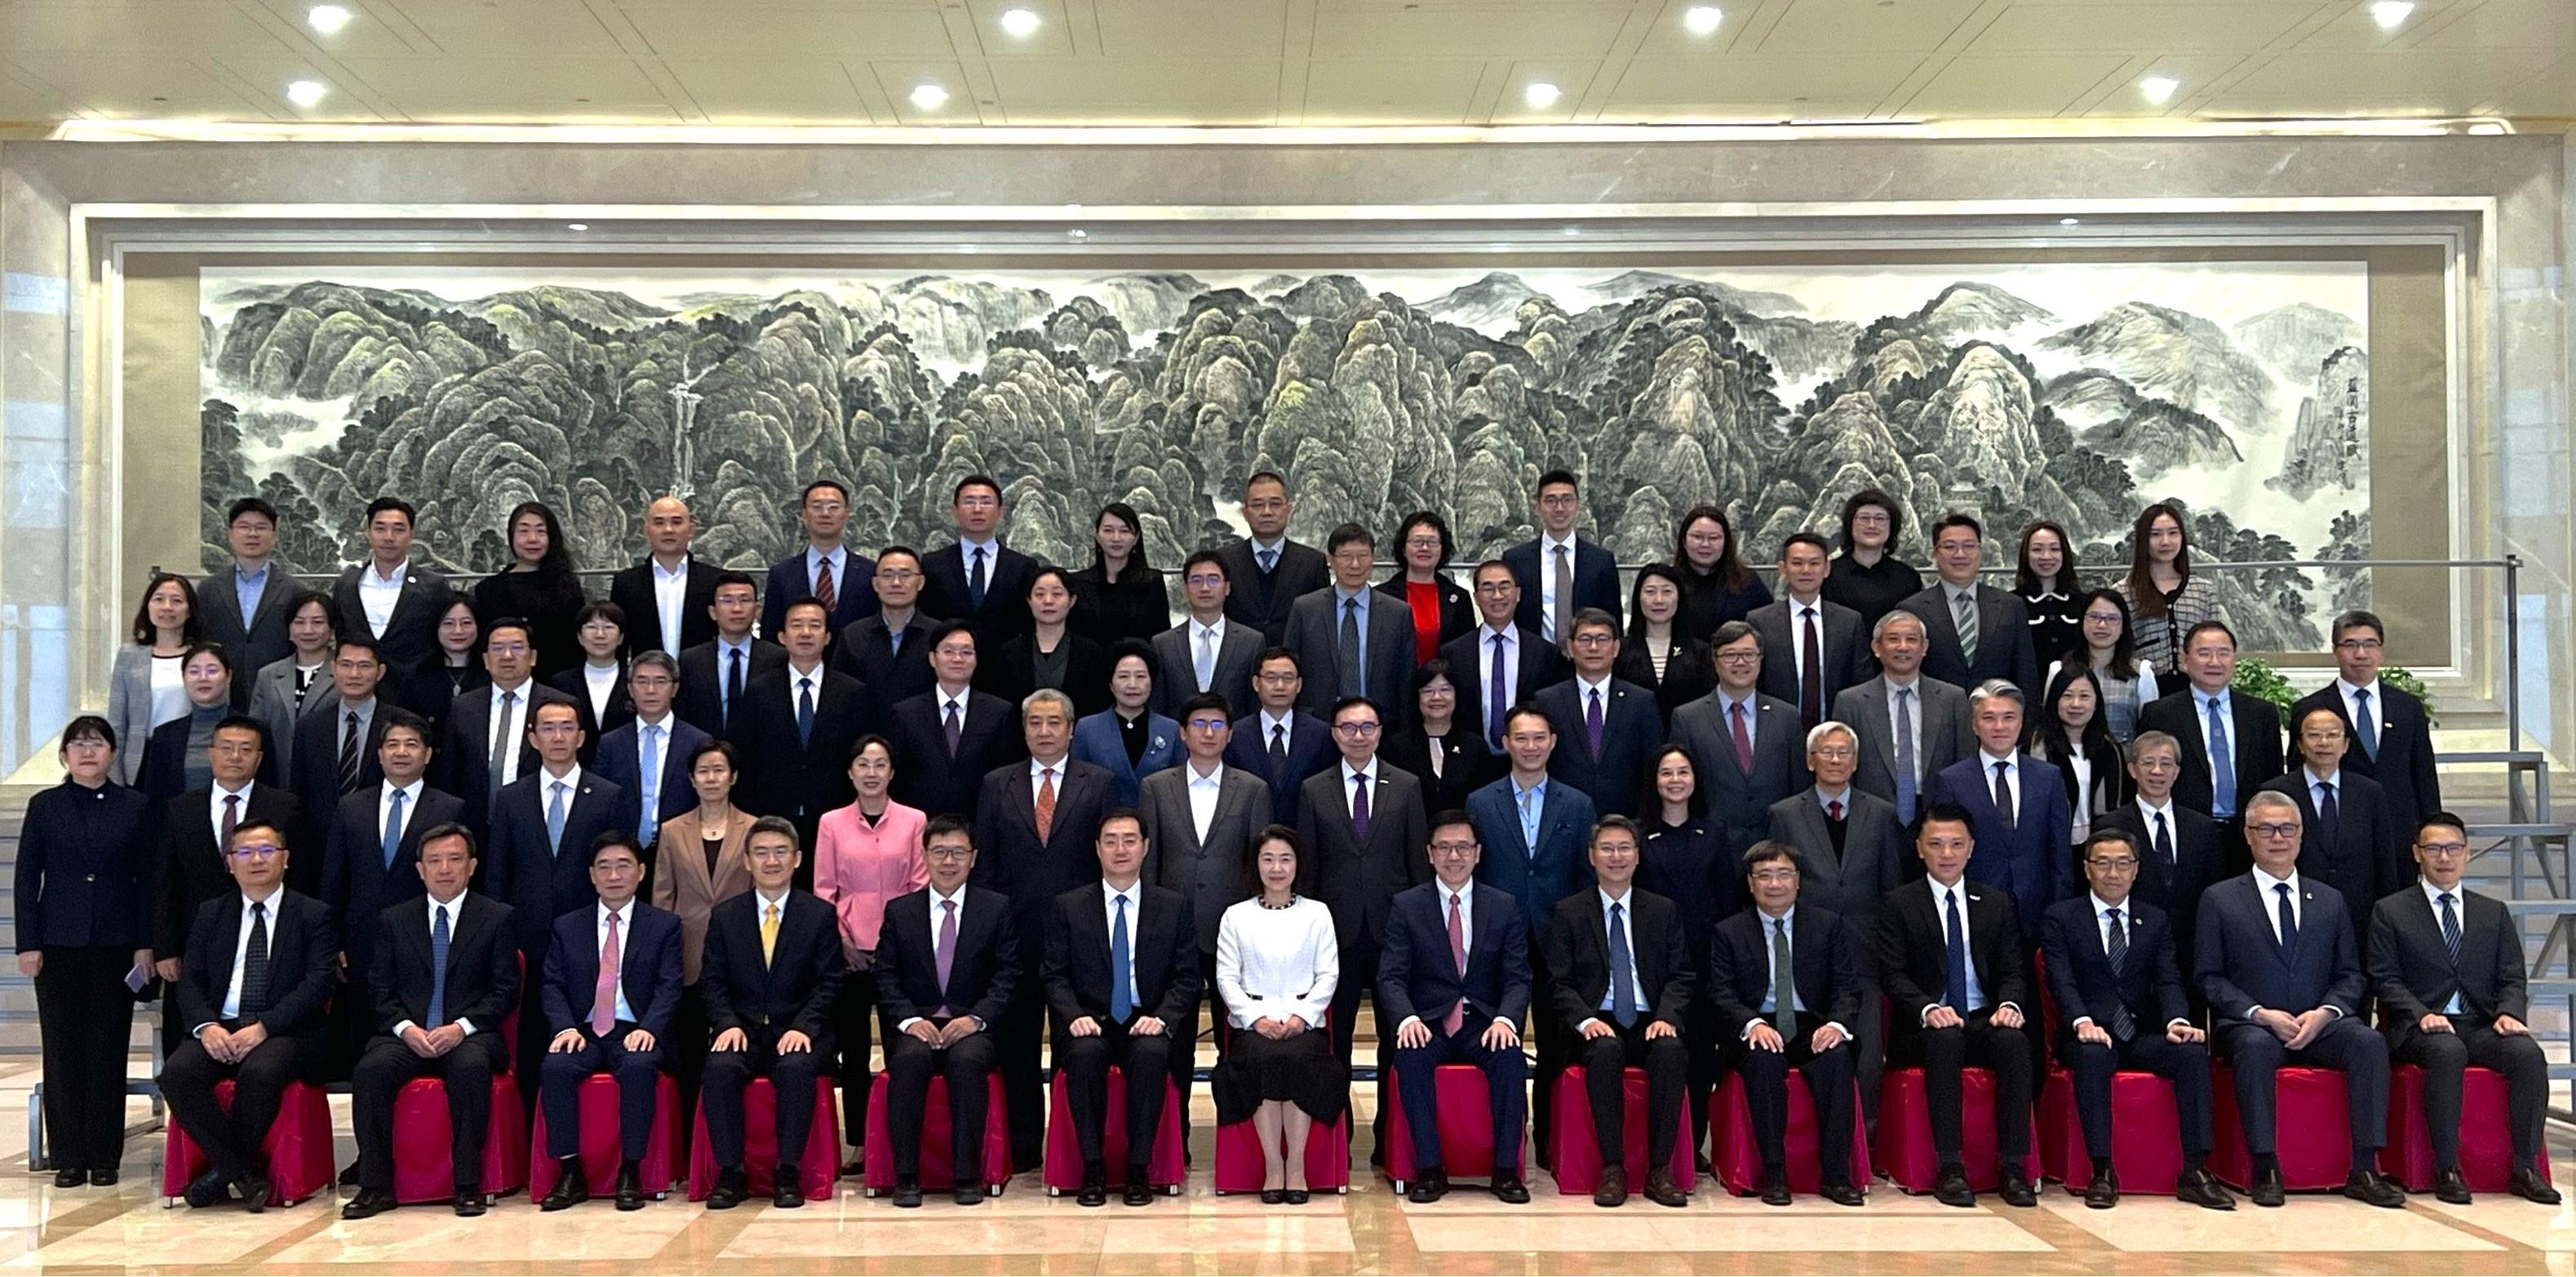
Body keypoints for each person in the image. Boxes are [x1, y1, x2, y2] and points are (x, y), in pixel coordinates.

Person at [2194, 790, 2405, 1208]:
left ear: (2301, 834)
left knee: (2368, 1042)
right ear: (2248, 836)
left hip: (2319, 1024)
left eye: (2287, 828)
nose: (2278, 838)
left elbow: (2350, 974)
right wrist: (2260, 1014)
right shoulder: (2219, 899)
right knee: (2254, 1048)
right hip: (2254, 1025)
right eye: (2266, 829)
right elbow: (2208, 978)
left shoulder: (2329, 899)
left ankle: (2365, 1167)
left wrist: (2325, 1013)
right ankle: (2265, 1166)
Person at [2369, 812, 2559, 1206]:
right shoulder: (2391, 910)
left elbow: (2511, 976)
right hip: (2420, 1027)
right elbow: (2385, 979)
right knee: (2446, 1050)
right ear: (2417, 854)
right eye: (2434, 849)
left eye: (2453, 848)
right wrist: (2421, 1013)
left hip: (2480, 1022)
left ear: (2467, 854)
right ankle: (2448, 1167)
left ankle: (2526, 1168)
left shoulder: (2493, 912)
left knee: (2527, 1055)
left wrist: (2509, 1012)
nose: (2444, 857)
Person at [2040, 829, 2231, 1210]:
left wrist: (2177, 1019)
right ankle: (2101, 1170)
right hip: (2086, 1032)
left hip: (2140, 1032)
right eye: (2103, 863)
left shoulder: (2155, 920)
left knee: (2192, 1054)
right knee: (2092, 1057)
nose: (2113, 873)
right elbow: (2060, 979)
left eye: (2122, 863)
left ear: (2136, 869)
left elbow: (2167, 978)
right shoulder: (2061, 917)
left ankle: (2195, 1169)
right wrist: (2080, 1021)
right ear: (2087, 869)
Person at [340, 823, 519, 1221]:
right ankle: (375, 1185)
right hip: (407, 1034)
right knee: (371, 1070)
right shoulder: (394, 920)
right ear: (419, 869)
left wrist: (460, 1028)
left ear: (472, 866)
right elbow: (380, 990)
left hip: (469, 1034)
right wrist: (407, 1029)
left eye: (454, 859)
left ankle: (468, 1185)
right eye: (434, 861)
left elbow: (505, 990)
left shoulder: (496, 917)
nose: (444, 869)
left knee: (471, 1068)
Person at [157, 818, 335, 1212]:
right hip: (221, 1026)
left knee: (261, 1072)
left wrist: (265, 1026)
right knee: (176, 1074)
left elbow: (318, 983)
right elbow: (191, 982)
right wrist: (207, 1027)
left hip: (285, 1031)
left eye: (267, 851)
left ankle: (223, 1173)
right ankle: (242, 1171)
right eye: (245, 852)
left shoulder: (312, 914)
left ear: (285, 859)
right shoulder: (210, 913)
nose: (257, 860)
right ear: (229, 863)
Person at [973, 687, 1116, 1168]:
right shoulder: (997, 784)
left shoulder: (1098, 782)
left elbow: (1107, 865)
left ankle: (1072, 1148)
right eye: (1035, 722)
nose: (1045, 732)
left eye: (1055, 722)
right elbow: (987, 865)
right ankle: (1025, 1147)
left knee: (1073, 1046)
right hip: (1013, 936)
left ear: (1072, 729)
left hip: (1077, 940)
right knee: (1015, 1046)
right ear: (1023, 729)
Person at [1873, 801, 2036, 1209]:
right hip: (1922, 1026)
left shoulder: (1996, 902)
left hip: (1981, 1018)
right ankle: (1950, 1166)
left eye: (1956, 844)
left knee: (2014, 1042)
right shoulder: (1899, 904)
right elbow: (1893, 976)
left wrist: (2011, 1005)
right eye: (1937, 844)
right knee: (1944, 1041)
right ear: (1919, 849)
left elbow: (2013, 970)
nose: (1947, 854)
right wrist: (1928, 1008)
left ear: (1971, 848)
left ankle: (2013, 1166)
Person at [15, 716, 154, 1188]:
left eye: (97, 743)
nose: (87, 751)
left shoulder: (135, 806)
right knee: (62, 1049)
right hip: (57, 943)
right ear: (64, 756)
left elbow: (147, 881)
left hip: (116, 944)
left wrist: (145, 943)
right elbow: (26, 876)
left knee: (107, 1048)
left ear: (112, 753)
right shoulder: (45, 806)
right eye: (77, 744)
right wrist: (28, 942)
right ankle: (68, 1155)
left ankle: (105, 1156)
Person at [1295, 694, 1430, 1162]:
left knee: (1398, 1038)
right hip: (1336, 933)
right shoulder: (1313, 789)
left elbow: (1418, 863)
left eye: (1367, 727)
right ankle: (1340, 1139)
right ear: (1333, 733)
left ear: (1379, 732)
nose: (1358, 736)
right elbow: (1307, 869)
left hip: (1395, 931)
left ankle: (1390, 1136)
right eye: (1348, 728)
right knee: (1337, 1041)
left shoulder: (1407, 786)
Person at [1041, 809, 1198, 1206]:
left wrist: (1162, 1017)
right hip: (1090, 1022)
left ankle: (1138, 1169)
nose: (1120, 849)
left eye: (1130, 840)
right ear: (1097, 849)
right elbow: (1054, 975)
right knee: (1084, 1057)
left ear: (1146, 848)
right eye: (1110, 840)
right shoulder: (1069, 906)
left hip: (1145, 1019)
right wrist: (1073, 1015)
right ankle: (1092, 1168)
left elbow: (1187, 979)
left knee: (1151, 1055)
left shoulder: (1173, 906)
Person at [1377, 813, 1532, 1204]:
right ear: (1430, 854)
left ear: (1478, 854)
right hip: (1429, 1022)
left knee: (1511, 1058)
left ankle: (1505, 1172)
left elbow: (1518, 977)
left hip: (1482, 1022)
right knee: (1409, 1058)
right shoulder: (1408, 905)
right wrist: (1408, 1018)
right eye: (1444, 847)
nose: (1454, 856)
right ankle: (1429, 1170)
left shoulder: (1503, 905)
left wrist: (1505, 1019)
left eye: (1463, 847)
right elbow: (1391, 977)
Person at [1466, 705, 1597, 1157]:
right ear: (1505, 743)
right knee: (1497, 1036)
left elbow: (1585, 875)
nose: (1530, 747)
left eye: (1539, 738)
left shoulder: (1577, 804)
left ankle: (1547, 1139)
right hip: (1497, 937)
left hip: (1556, 937)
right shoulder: (1480, 802)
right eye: (1520, 738)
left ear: (1553, 742)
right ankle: (1503, 1136)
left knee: (1557, 1041)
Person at [1705, 841, 1867, 1208]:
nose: (1774, 884)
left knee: (1837, 1058)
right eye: (1764, 876)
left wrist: (1837, 1026)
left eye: (1783, 875)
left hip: (1812, 1025)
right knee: (1763, 1061)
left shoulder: (1828, 925)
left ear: (1797, 881)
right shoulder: (1729, 932)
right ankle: (1774, 1173)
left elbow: (1847, 987)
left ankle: (1836, 1175)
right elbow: (1721, 993)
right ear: (1750, 884)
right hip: (1758, 1027)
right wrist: (1750, 1024)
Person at [698, 817, 847, 1211]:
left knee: (798, 1068)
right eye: (761, 853)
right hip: (742, 1029)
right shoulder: (726, 916)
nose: (771, 861)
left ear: (797, 859)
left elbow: (829, 983)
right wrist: (726, 1022)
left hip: (797, 1029)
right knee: (719, 1067)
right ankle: (731, 1174)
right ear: (747, 861)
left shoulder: (818, 915)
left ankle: (787, 1172)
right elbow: (712, 981)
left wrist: (804, 1027)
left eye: (780, 852)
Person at [1137, 694, 1270, 1132]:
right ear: (1182, 732)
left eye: (1217, 725)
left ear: (1230, 734)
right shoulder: (1156, 787)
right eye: (1199, 724)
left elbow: (1258, 866)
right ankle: (1174, 1136)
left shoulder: (1252, 789)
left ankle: (1238, 1132)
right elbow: (1149, 863)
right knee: (1172, 1039)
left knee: (1236, 1038)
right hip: (1172, 932)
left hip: (1234, 933)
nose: (1208, 733)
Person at [1547, 816, 1692, 1208]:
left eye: (1624, 848)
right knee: (1606, 1052)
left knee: (1671, 1052)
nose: (1616, 857)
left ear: (1638, 856)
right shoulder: (1570, 911)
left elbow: (1682, 975)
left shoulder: (1662, 911)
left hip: (1650, 1019)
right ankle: (1613, 1168)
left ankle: (1660, 1170)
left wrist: (1667, 1017)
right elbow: (1558, 982)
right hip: (1598, 1020)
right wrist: (1586, 1020)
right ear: (1592, 856)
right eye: (1607, 849)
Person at [875, 815, 1018, 1208]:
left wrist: (975, 1019)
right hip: (916, 1023)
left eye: (958, 852)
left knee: (967, 1064)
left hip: (971, 1025)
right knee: (908, 1063)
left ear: (973, 858)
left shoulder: (995, 908)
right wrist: (909, 1020)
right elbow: (885, 976)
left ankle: (967, 1175)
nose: (949, 861)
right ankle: (906, 1176)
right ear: (924, 856)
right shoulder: (901, 910)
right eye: (939, 852)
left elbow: (1007, 976)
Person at [536, 834, 684, 1212]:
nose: (614, 875)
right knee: (555, 1068)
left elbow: (670, 986)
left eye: (623, 865)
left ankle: (630, 1171)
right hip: (582, 1030)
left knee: (639, 1067)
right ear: (591, 875)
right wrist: (564, 1028)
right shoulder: (567, 926)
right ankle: (570, 1172)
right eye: (604, 867)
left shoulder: (663, 925)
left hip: (634, 1029)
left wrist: (649, 1029)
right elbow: (551, 984)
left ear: (641, 872)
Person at [485, 700, 629, 1088]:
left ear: (581, 736)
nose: (558, 736)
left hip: (588, 932)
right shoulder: (511, 797)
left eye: (567, 727)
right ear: (533, 738)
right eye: (548, 728)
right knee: (531, 1027)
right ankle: (531, 1127)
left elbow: (620, 868)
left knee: (581, 1026)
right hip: (526, 931)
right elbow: (498, 871)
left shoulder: (607, 795)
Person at [1767, 723, 1900, 1123]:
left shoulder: (1881, 813)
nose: (1836, 760)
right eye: (1827, 752)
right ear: (1810, 760)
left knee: (1868, 1053)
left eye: (1844, 753)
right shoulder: (1784, 814)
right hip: (1807, 947)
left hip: (1865, 948)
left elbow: (1890, 888)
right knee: (1819, 1049)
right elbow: (1776, 882)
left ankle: (1866, 1141)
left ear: (1856, 761)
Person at [317, 709, 463, 1070]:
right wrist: (332, 940)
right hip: (360, 938)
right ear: (379, 753)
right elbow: (334, 879)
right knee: (365, 1038)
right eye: (393, 744)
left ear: (427, 755)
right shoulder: (351, 806)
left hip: (426, 937)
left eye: (412, 744)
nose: (401, 752)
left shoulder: (450, 808)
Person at [153, 714, 308, 1052]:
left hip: (267, 937)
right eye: (227, 748)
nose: (235, 756)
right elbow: (165, 881)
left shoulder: (285, 806)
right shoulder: (180, 808)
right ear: (211, 754)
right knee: (189, 1047)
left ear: (259, 758)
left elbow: (302, 876)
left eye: (245, 749)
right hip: (196, 940)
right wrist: (165, 948)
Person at [811, 737, 929, 1170]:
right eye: (863, 763)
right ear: (850, 772)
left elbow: (920, 884)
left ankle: (899, 1137)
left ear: (892, 772)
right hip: (848, 953)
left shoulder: (914, 820)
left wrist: (896, 943)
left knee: (903, 1047)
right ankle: (860, 1141)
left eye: (881, 764)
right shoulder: (831, 823)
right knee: (854, 1051)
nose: (872, 772)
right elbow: (824, 889)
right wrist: (841, 940)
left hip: (901, 952)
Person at [1213, 826, 1345, 1205]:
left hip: (1304, 1023)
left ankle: (1298, 1166)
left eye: (1285, 859)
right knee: (1264, 1059)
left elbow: (1328, 974)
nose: (1276, 868)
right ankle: (1274, 1166)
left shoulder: (1317, 914)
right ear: (1255, 866)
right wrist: (1256, 1018)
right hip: (1253, 1024)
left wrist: (1300, 1017)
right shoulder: (1235, 917)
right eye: (1268, 859)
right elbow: (1226, 977)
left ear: (1297, 865)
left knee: (1298, 1058)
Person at [1634, 744, 1736, 1153]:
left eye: (1683, 772)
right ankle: (1653, 1145)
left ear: (1696, 780)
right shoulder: (1638, 836)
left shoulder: (1713, 833)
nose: (1675, 780)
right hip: (1653, 964)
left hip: (1705, 963)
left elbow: (1728, 903)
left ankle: (1691, 1149)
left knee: (1700, 1057)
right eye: (1666, 773)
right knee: (1659, 1055)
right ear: (1654, 781)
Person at [650, 738, 752, 1137]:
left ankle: (730, 1136)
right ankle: (691, 1140)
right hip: (688, 951)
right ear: (692, 779)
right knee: (690, 1050)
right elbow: (662, 896)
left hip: (740, 952)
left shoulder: (754, 827)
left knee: (734, 1049)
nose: (712, 778)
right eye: (704, 771)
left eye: (719, 770)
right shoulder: (673, 831)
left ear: (733, 777)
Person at [1927, 680, 2072, 940]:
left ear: (2021, 722)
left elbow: (2059, 853)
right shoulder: (1952, 781)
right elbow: (1943, 852)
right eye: (1989, 718)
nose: (1999, 727)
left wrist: (2059, 913)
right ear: (1974, 724)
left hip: (2038, 913)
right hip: (1974, 912)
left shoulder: (2048, 778)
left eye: (2009, 717)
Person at [2137, 620, 2284, 865]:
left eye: (2223, 653)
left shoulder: (2261, 714)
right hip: (2185, 834)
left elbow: (2273, 776)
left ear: (2234, 659)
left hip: (2249, 835)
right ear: (2185, 660)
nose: (2214, 662)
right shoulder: (2160, 714)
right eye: (2204, 653)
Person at [2293, 609, 2441, 843]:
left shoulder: (2407, 707)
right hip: (2336, 834)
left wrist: (2431, 833)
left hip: (2399, 832)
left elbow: (2424, 775)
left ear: (2381, 651)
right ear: (2335, 651)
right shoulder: (2310, 709)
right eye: (2350, 645)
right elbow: (2298, 778)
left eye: (2370, 644)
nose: (2361, 654)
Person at [736, 598, 869, 858]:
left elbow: (859, 756)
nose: (806, 633)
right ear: (782, 636)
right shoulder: (759, 691)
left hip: (835, 817)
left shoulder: (852, 692)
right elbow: (747, 757)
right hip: (772, 817)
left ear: (828, 637)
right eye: (797, 625)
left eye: (815, 625)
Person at [2259, 707, 2401, 947]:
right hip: (2296, 910)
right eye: (2314, 735)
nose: (2323, 743)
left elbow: (2384, 858)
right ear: (2301, 745)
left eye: (2333, 735)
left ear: (2345, 745)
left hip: (2359, 913)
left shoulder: (2370, 792)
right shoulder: (2275, 792)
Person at [1669, 621, 1811, 850]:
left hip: (1774, 848)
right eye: (1730, 655)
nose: (1741, 662)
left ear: (1760, 659)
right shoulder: (1688, 718)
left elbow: (1799, 788)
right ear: (1715, 662)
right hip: (1711, 849)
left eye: (1749, 654)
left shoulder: (1787, 716)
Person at [1833, 610, 1975, 827]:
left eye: (1911, 639)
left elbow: (1965, 763)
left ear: (1924, 647)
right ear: (1876, 648)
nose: (1903, 647)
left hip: (1938, 818)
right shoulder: (1851, 702)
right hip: (1870, 818)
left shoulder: (1952, 699)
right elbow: (1843, 767)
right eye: (1893, 639)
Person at [435, 617, 576, 830]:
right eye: (498, 648)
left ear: (533, 657)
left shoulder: (561, 705)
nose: (507, 656)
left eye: (517, 647)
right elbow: (450, 772)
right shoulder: (463, 707)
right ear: (485, 659)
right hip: (474, 828)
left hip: (538, 825)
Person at [885, 623, 1026, 822]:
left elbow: (1008, 776)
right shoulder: (905, 713)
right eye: (949, 651)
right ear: (933, 658)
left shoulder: (999, 712)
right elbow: (897, 778)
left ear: (976, 659)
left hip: (980, 824)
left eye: (966, 652)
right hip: (920, 827)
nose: (957, 659)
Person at [1285, 524, 1417, 727]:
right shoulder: (1305, 609)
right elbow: (1290, 669)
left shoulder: (1398, 613)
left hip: (1379, 726)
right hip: (1317, 724)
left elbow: (1406, 679)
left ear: (1373, 559)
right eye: (1346, 556)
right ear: (1331, 560)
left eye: (1363, 556)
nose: (1355, 565)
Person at [1535, 609, 1662, 818]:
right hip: (1563, 819)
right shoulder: (1548, 701)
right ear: (1570, 647)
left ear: (1616, 648)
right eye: (1585, 639)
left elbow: (1652, 767)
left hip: (1626, 822)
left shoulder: (1641, 701)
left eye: (1602, 639)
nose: (1593, 647)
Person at [1900, 513, 2039, 699]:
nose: (1960, 554)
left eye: (1969, 546)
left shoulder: (2010, 606)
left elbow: (2026, 675)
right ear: (1935, 553)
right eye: (1950, 547)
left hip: (1998, 721)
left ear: (1980, 551)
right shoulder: (1912, 610)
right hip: (1935, 720)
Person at [1443, 560, 1568, 752]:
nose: (1497, 596)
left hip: (1528, 758)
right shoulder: (1453, 653)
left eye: (1504, 587)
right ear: (1476, 597)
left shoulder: (1545, 653)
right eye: (1488, 588)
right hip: (1470, 760)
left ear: (1517, 594)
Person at [1750, 534, 1870, 733]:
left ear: (1826, 568)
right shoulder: (1760, 621)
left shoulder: (1849, 622)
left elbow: (1861, 683)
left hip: (1836, 736)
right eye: (1797, 563)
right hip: (1775, 732)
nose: (1806, 570)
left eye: (1814, 563)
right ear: (1783, 569)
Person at [590, 650, 707, 854]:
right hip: (624, 850)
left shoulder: (698, 742)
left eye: (660, 682)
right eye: (642, 682)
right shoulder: (610, 743)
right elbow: (599, 802)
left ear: (675, 688)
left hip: (683, 848)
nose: (650, 690)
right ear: (630, 688)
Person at [138, 645, 280, 805]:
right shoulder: (165, 735)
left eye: (212, 671)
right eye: (194, 671)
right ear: (183, 678)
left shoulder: (256, 730)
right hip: (182, 826)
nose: (203, 678)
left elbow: (270, 790)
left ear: (229, 677)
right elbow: (155, 798)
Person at [330, 497, 453, 676]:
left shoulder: (433, 586)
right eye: (380, 529)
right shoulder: (347, 585)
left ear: (411, 536)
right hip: (359, 688)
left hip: (416, 693)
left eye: (398, 530)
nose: (389, 537)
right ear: (368, 534)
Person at [470, 502, 589, 685]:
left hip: (560, 686)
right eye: (524, 531)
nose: (532, 539)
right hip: (506, 686)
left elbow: (576, 646)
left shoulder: (567, 585)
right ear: (511, 536)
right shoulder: (490, 590)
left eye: (541, 531)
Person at [920, 474, 1038, 650]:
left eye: (986, 502)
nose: (977, 509)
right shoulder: (932, 564)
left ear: (1001, 512)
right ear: (955, 511)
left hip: (1006, 669)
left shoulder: (1023, 567)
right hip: (950, 665)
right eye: (969, 502)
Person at [202, 496, 299, 709]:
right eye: (244, 527)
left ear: (274, 536)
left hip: (277, 693)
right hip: (221, 693)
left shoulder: (294, 590)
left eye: (261, 527)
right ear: (230, 535)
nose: (252, 534)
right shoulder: (209, 589)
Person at [1507, 471, 1625, 645]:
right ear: (1538, 506)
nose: (1559, 508)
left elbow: (1613, 621)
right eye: (1551, 500)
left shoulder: (1601, 561)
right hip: (1533, 661)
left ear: (1577, 505)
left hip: (1587, 660)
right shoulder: (1516, 560)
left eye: (1567, 500)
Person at [1222, 648, 1336, 827]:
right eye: (1271, 678)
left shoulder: (1320, 734)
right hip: (1249, 835)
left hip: (1303, 836)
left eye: (1288, 678)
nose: (1280, 686)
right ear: (1256, 683)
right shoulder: (1235, 734)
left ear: (1299, 685)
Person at [109, 572, 203, 786]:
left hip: (189, 753)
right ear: (148, 606)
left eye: (177, 601)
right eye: (159, 599)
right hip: (142, 755)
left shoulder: (203, 655)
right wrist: (115, 776)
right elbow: (117, 721)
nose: (167, 607)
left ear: (189, 610)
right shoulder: (130, 655)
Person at [1217, 472, 1331, 648]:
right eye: (1258, 505)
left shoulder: (1312, 563)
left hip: (1293, 668)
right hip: (1239, 666)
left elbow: (1322, 624)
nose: (1267, 512)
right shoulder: (1224, 561)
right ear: (1245, 512)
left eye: (1275, 504)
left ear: (1288, 509)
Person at [285, 632, 391, 819]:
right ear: (333, 669)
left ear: (380, 672)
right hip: (321, 837)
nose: (354, 674)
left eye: (364, 666)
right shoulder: (309, 727)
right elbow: (298, 793)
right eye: (346, 665)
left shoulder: (399, 724)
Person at [2116, 503, 2224, 681]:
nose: (2165, 541)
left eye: (2173, 533)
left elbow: (2216, 643)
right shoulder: (2123, 592)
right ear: (2143, 540)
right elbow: (2118, 650)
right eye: (2155, 534)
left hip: (2194, 689)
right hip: (2144, 689)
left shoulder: (2203, 591)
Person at [760, 478, 876, 643]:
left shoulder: (870, 572)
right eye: (817, 507)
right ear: (804, 515)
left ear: (846, 514)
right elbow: (771, 633)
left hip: (856, 665)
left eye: (833, 507)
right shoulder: (781, 574)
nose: (825, 513)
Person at [985, 567, 1111, 718]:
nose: (1048, 601)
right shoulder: (1010, 652)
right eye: (1039, 594)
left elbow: (1099, 710)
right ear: (1029, 601)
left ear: (1072, 600)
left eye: (1057, 594)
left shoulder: (1092, 653)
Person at [2027, 663, 2130, 846]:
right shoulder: (2034, 749)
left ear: (2096, 702)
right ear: (2054, 701)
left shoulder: (2110, 750)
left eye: (2084, 696)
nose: (2076, 704)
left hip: (2098, 847)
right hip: (2048, 845)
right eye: (2067, 696)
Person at [1382, 661, 1501, 821]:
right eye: (1427, 691)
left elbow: (1486, 803)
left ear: (1457, 695)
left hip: (1463, 840)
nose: (1436, 697)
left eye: (1445, 690)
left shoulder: (1475, 746)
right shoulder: (1396, 747)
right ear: (1416, 697)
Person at [1151, 550, 1261, 721]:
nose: (1205, 588)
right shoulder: (1163, 644)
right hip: (1178, 742)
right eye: (1196, 580)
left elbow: (1255, 705)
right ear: (1185, 589)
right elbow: (1158, 706)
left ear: (1227, 588)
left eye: (1213, 579)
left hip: (1235, 741)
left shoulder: (1251, 642)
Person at [675, 572, 783, 740]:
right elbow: (683, 717)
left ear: (757, 610)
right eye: (727, 601)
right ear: (713, 612)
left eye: (745, 600)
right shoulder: (691, 660)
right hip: (707, 755)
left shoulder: (778, 658)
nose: (737, 609)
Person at [609, 495, 718, 661]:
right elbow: (619, 644)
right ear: (646, 531)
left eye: (676, 522)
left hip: (702, 681)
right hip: (647, 683)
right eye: (659, 523)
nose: (668, 530)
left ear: (691, 530)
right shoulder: (626, 583)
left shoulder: (714, 580)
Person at [1073, 641, 1182, 806]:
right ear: (1111, 684)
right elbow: (1077, 784)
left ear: (1151, 682)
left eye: (1140, 676)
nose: (1132, 684)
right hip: (1104, 824)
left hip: (1158, 824)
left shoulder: (1171, 729)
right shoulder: (1087, 728)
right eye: (1123, 676)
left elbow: (1179, 786)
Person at [831, 545, 940, 707]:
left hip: (924, 731)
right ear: (875, 584)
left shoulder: (939, 635)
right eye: (887, 575)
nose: (896, 583)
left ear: (921, 583)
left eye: (905, 575)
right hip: (865, 731)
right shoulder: (853, 635)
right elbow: (838, 693)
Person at [246, 591, 339, 774]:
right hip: (277, 776)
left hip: (328, 776)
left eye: (318, 622)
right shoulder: (268, 675)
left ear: (332, 629)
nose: (308, 630)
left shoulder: (345, 673)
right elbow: (255, 732)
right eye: (299, 622)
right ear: (289, 629)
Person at [1615, 564, 1716, 726]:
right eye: (1650, 592)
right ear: (1638, 597)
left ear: (1679, 597)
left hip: (1686, 741)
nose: (1659, 600)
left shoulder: (1700, 652)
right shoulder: (1620, 650)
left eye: (1667, 591)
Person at [2053, 589, 2158, 744]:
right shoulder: (2059, 670)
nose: (2102, 625)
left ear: (2123, 626)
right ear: (2082, 621)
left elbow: (2150, 734)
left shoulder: (2141, 673)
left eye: (2112, 619)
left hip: (2123, 763)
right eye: (2094, 617)